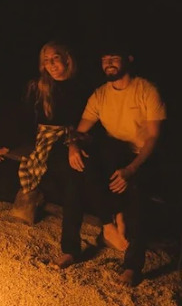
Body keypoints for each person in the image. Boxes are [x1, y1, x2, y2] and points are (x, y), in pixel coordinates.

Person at [69, 44, 167, 287]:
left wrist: (132, 170)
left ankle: (132, 267)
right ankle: (108, 224)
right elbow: (79, 131)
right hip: (115, 155)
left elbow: (154, 137)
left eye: (114, 58)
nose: (108, 63)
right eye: (104, 59)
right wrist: (72, 146)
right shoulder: (101, 94)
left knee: (138, 194)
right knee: (85, 165)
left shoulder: (146, 90)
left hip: (143, 157)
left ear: (128, 59)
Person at [0, 41, 93, 267]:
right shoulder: (39, 87)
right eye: (46, 61)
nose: (52, 65)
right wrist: (10, 146)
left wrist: (74, 142)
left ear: (67, 57)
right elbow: (25, 120)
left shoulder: (83, 86)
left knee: (76, 172)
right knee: (69, 173)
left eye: (55, 58)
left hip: (76, 139)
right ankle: (34, 198)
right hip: (47, 140)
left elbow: (90, 123)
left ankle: (74, 246)